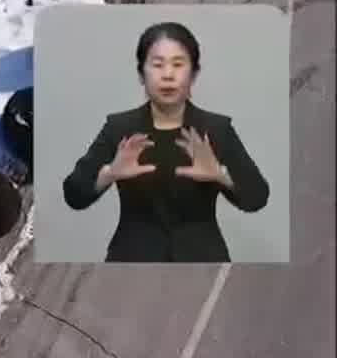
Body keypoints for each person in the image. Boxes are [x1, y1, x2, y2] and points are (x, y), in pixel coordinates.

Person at [62, 22, 270, 262]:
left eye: (178, 65)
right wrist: (110, 173)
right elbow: (73, 195)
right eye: (158, 65)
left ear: (194, 74)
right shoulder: (120, 128)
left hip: (203, 258)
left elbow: (258, 198)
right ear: (141, 74)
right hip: (130, 260)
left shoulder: (216, 130)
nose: (168, 75)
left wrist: (220, 174)